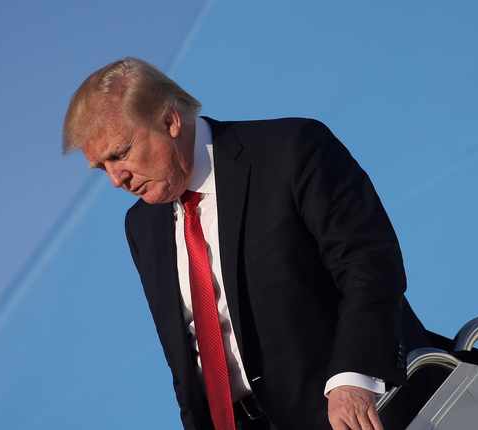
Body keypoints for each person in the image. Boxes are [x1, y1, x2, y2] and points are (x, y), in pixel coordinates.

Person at [62, 57, 441, 430]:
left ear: (169, 119)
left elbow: (369, 265)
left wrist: (353, 379)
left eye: (121, 153)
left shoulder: (291, 150)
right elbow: (186, 361)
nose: (116, 180)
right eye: (101, 168)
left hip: (360, 413)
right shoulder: (141, 225)